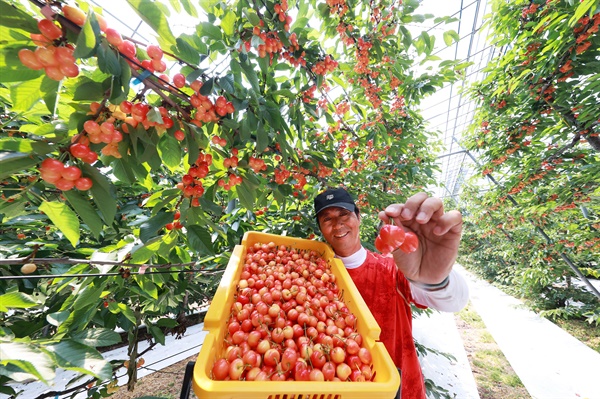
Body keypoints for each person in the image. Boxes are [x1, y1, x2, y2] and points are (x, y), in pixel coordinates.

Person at [313, 187, 469, 399]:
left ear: (358, 217)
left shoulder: (392, 268)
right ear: (321, 228)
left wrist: (435, 279)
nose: (337, 224)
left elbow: (454, 302)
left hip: (399, 388)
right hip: (338, 388)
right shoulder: (314, 276)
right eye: (327, 219)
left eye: (344, 214)